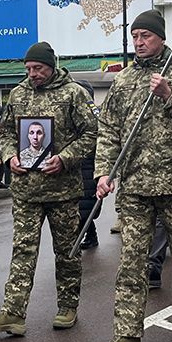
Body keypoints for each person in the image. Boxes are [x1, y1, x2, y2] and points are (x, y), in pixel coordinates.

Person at [93, 9, 172, 342]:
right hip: (135, 186)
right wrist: (104, 172)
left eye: (145, 35)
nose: (139, 42)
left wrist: (170, 95)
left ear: (160, 37)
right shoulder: (124, 79)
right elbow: (109, 130)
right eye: (134, 36)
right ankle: (127, 333)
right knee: (131, 261)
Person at [0, 41, 98, 336]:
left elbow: (92, 132)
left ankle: (68, 306)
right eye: (29, 68)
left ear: (52, 66)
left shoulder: (73, 94)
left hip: (63, 192)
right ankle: (13, 314)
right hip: (26, 191)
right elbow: (4, 132)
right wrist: (9, 157)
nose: (33, 74)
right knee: (23, 252)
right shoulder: (18, 94)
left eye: (38, 68)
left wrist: (66, 158)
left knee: (66, 252)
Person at [74, 79, 102, 250]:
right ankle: (90, 235)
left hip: (90, 164)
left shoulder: (94, 115)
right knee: (80, 206)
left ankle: (80, 239)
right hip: (75, 164)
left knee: (85, 205)